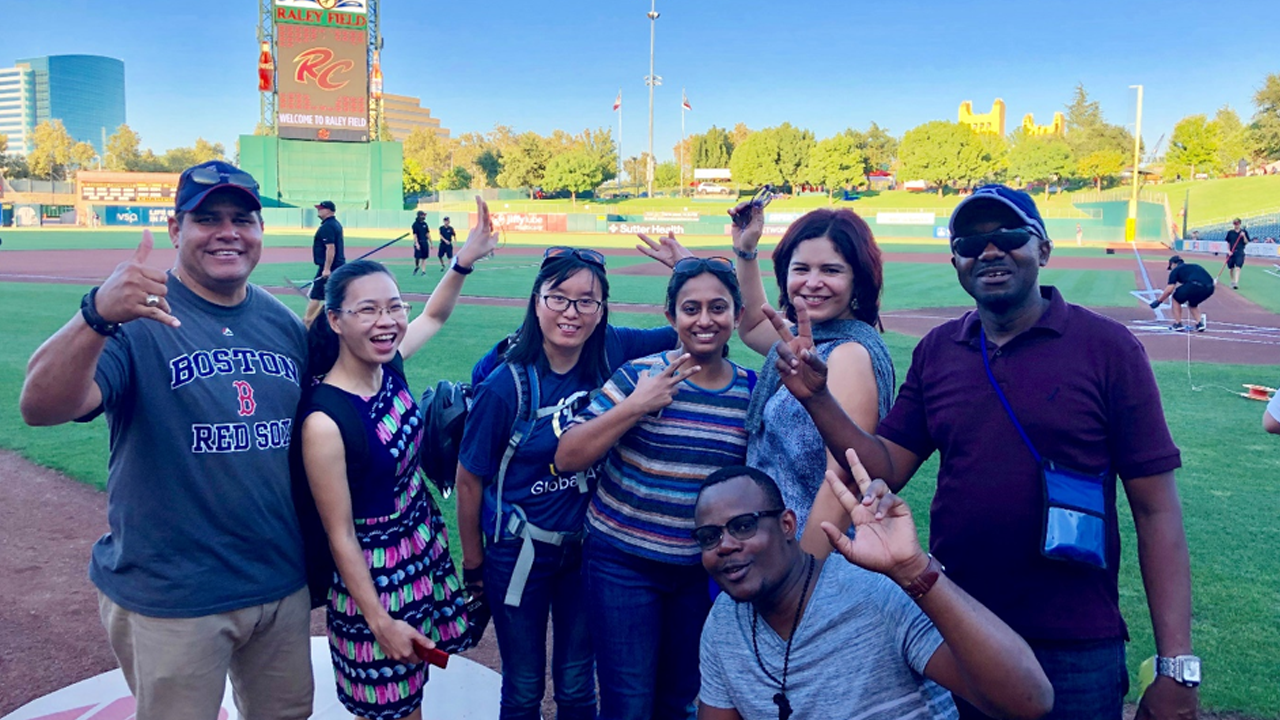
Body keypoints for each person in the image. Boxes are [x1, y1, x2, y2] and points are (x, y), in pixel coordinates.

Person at [764, 184, 1197, 720]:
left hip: (1075, 639)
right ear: (956, 262)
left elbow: (1156, 510)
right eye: (971, 242)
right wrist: (818, 399)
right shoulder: (940, 350)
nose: (988, 251)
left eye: (1009, 236)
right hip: (956, 624)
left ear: (1043, 250)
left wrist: (1177, 664)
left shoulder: (1108, 349)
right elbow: (887, 467)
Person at [19, 160, 314, 719]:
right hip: (175, 597)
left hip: (278, 583)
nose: (228, 232)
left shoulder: (281, 324)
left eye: (242, 219)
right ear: (176, 230)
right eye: (207, 218)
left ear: (259, 231)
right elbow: (40, 407)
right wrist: (95, 314)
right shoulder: (133, 320)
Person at [455, 247, 678, 720]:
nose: (571, 313)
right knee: (523, 686)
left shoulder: (612, 349)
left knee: (578, 684)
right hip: (518, 554)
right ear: (536, 302)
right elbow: (469, 479)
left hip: (586, 554)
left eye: (586, 301)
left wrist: (687, 267)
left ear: (601, 312)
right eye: (558, 298)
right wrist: (474, 564)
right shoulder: (504, 385)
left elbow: (695, 330)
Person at [300, 198, 498, 720]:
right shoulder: (325, 421)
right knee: (391, 707)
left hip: (420, 547)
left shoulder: (388, 366)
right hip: (374, 577)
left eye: (393, 306)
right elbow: (340, 535)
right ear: (337, 320)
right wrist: (379, 620)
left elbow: (433, 314)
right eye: (368, 310)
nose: (387, 321)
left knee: (414, 689)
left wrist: (464, 260)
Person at [555, 257, 756, 719]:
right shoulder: (638, 377)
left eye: (717, 308)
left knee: (678, 699)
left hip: (700, 572)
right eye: (691, 308)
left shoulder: (751, 391)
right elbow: (567, 455)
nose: (704, 320)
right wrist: (636, 407)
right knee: (627, 704)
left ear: (737, 316)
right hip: (622, 563)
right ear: (670, 317)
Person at [694, 463, 1053, 720]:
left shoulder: (874, 593)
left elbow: (1028, 700)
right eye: (709, 537)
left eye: (742, 526)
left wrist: (913, 570)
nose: (724, 545)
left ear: (787, 524)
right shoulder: (725, 623)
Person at [305, 200, 346, 326]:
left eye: (321, 208)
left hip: (330, 266)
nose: (319, 210)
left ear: (329, 210)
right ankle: (317, 320)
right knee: (329, 295)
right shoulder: (334, 224)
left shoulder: (327, 226)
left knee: (316, 295)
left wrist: (326, 269)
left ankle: (308, 321)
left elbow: (330, 248)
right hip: (336, 266)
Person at [1150, 255, 1214, 332]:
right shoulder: (1194, 266)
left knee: (1176, 298)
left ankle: (1178, 324)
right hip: (1210, 288)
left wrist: (1159, 301)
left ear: (1173, 264)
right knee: (1193, 303)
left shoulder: (1176, 270)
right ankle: (1199, 323)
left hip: (1194, 285)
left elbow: (1169, 290)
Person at [1225, 218, 1250, 289]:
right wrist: (1228, 251)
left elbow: (1246, 242)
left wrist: (1243, 236)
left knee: (1238, 268)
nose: (1236, 225)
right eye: (1235, 224)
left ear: (1240, 224)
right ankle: (1232, 281)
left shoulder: (1244, 232)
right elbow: (1228, 242)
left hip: (1239, 252)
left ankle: (1236, 282)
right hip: (1231, 252)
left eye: (1237, 224)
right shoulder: (1230, 232)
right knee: (1231, 268)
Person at [412, 210, 432, 275]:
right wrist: (416, 243)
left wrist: (431, 242)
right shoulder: (415, 224)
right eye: (423, 215)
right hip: (419, 242)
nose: (424, 216)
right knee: (417, 257)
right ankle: (417, 266)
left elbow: (427, 233)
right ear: (419, 216)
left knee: (424, 257)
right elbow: (415, 235)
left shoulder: (425, 224)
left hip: (424, 242)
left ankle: (423, 271)